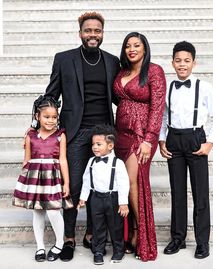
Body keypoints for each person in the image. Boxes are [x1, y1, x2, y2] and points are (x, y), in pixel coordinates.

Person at [44, 12, 120, 261]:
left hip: (104, 133)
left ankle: (91, 235)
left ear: (102, 33)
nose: (92, 35)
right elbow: (51, 95)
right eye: (88, 30)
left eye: (97, 31)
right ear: (80, 33)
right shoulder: (64, 59)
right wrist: (41, 123)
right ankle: (68, 238)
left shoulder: (112, 61)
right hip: (75, 132)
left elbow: (121, 97)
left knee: (99, 187)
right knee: (74, 187)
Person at [159, 41, 213, 259]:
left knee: (200, 193)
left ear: (194, 63)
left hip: (196, 138)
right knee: (177, 192)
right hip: (174, 140)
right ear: (172, 63)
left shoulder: (203, 87)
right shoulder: (168, 87)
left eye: (187, 61)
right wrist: (161, 140)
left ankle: (202, 242)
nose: (182, 65)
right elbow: (164, 117)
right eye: (178, 61)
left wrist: (210, 142)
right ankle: (177, 238)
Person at [113, 32, 166, 261]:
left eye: (137, 45)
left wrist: (149, 138)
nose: (132, 49)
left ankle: (139, 234)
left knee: (134, 181)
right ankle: (129, 232)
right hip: (121, 136)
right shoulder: (122, 72)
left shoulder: (154, 71)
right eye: (128, 46)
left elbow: (157, 107)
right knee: (124, 183)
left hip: (142, 136)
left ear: (145, 48)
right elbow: (119, 100)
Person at [13, 95, 70, 262]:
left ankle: (59, 243)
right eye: (47, 117)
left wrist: (66, 182)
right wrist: (24, 183)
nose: (51, 120)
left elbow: (63, 160)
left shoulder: (60, 135)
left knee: (53, 211)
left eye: (54, 117)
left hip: (52, 177)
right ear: (37, 116)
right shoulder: (30, 136)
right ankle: (40, 247)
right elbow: (27, 160)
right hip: (35, 178)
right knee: (38, 212)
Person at [78, 124, 129, 265]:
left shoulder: (118, 163)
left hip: (112, 198)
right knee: (97, 226)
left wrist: (123, 203)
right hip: (95, 199)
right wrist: (83, 198)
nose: (94, 147)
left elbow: (124, 183)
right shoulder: (91, 161)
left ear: (110, 145)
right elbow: (86, 180)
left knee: (115, 226)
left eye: (99, 144)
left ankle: (118, 250)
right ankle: (98, 250)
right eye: (93, 144)